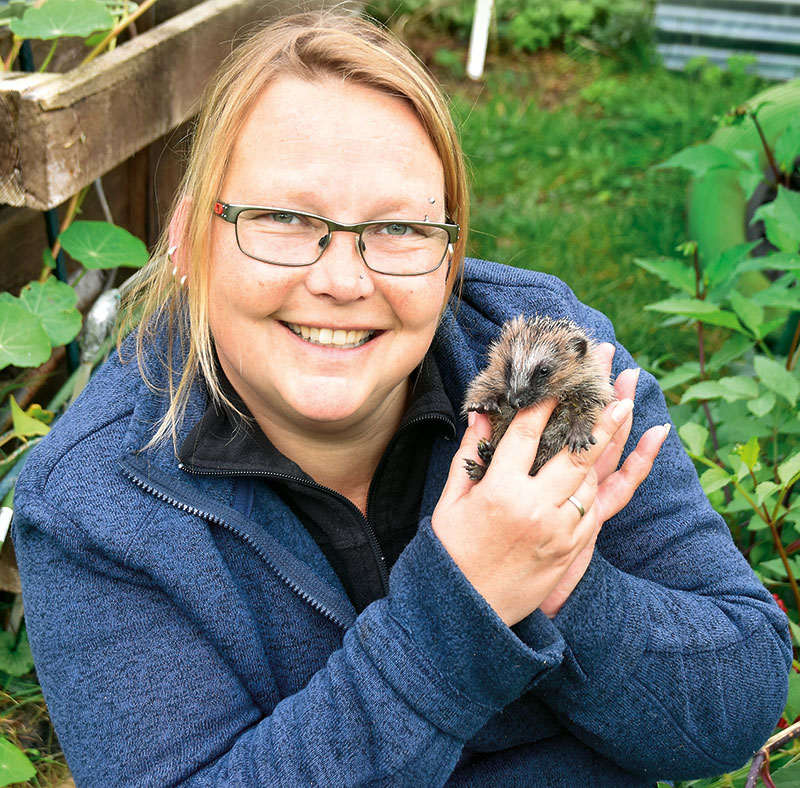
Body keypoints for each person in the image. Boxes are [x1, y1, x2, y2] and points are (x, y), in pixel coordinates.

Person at [13, 10, 790, 788]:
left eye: (398, 229)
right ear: (187, 238)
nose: (344, 281)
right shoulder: (100, 501)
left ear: (450, 256)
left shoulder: (551, 366)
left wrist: (561, 578)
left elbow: (736, 703)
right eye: (283, 218)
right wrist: (465, 602)